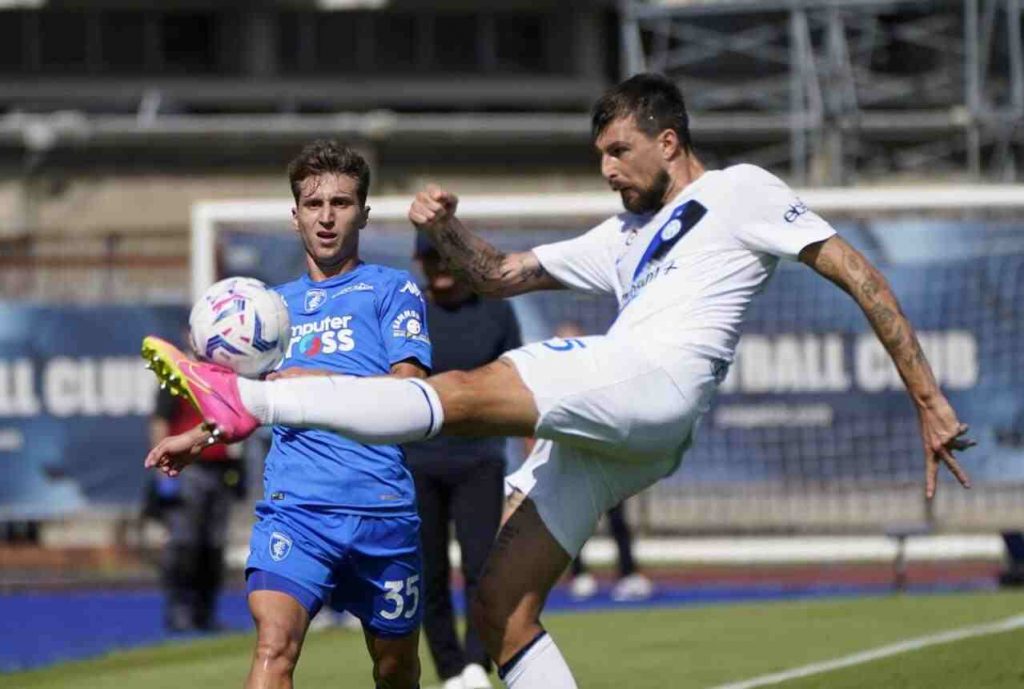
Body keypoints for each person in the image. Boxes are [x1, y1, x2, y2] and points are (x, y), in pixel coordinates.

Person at [142, 74, 975, 689]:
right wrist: (449, 229)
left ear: (669, 140)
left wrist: (929, 398)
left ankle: (249, 396)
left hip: (649, 376)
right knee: (500, 606)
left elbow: (856, 270)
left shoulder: (739, 191)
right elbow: (502, 273)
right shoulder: (624, 236)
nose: (608, 168)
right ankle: (251, 400)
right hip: (638, 435)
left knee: (461, 395)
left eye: (619, 151)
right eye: (600, 155)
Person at [152, 140, 433, 689]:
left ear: (364, 214)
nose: (327, 217)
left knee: (396, 669)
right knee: (274, 648)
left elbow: (413, 391)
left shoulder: (392, 290)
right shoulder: (267, 311)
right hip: (296, 511)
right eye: (313, 204)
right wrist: (200, 438)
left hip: (381, 511)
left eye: (342, 203)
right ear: (295, 216)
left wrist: (321, 384)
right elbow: (252, 401)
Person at [406, 231, 523, 689]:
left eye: (444, 258)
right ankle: (449, 669)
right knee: (428, 571)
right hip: (418, 461)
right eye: (427, 258)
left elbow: (518, 376)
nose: (436, 267)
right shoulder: (407, 312)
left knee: (481, 566)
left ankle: (477, 661)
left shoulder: (494, 309)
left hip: (479, 459)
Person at [546, 321, 653, 603]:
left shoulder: (602, 377)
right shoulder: (551, 381)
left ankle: (628, 573)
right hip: (571, 458)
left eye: (572, 341)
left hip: (605, 458)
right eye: (560, 342)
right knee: (574, 520)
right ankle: (579, 574)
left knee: (617, 519)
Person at [145, 344, 245, 633]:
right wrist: (163, 474)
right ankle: (180, 612)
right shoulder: (178, 377)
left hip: (221, 471)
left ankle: (206, 612)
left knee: (213, 546)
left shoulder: (227, 376)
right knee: (184, 544)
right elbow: (160, 422)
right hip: (188, 471)